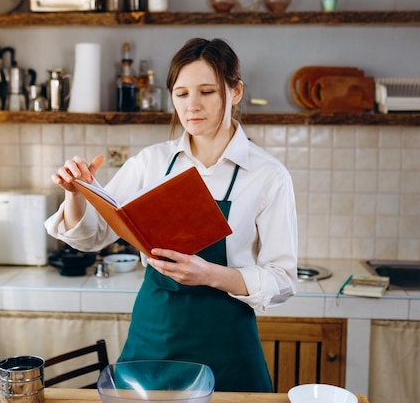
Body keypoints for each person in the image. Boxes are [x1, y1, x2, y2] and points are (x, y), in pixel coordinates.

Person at [44, 37, 298, 392]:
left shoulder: (268, 175)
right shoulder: (152, 163)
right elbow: (92, 238)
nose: (192, 105)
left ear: (235, 91)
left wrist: (210, 274)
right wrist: (76, 194)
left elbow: (283, 279)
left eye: (207, 91)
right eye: (181, 94)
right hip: (155, 333)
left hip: (227, 339)